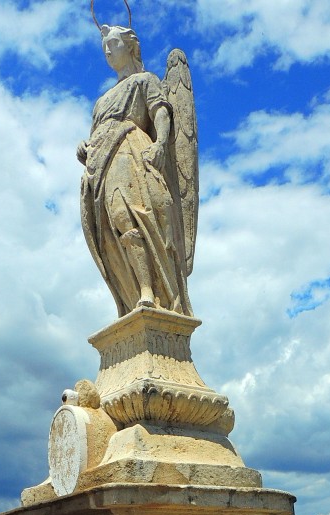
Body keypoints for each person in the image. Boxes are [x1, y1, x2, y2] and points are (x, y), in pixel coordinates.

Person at [78, 22, 195, 318]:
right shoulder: (101, 101)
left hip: (130, 151)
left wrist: (160, 144)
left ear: (130, 46)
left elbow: (160, 111)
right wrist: (85, 148)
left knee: (128, 216)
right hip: (100, 165)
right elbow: (97, 133)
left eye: (113, 43)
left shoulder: (144, 80)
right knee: (108, 232)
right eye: (104, 46)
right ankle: (130, 296)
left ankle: (148, 292)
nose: (107, 50)